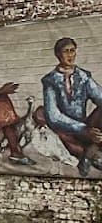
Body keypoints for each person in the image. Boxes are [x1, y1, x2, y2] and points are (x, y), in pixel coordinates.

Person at [36, 37, 102, 176]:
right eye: (66, 51)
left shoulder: (84, 77)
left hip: (85, 127)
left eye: (72, 51)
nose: (70, 55)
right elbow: (54, 116)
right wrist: (84, 129)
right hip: (65, 129)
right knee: (56, 132)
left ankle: (92, 148)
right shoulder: (50, 80)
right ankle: (89, 154)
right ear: (58, 54)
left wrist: (88, 129)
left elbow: (99, 96)